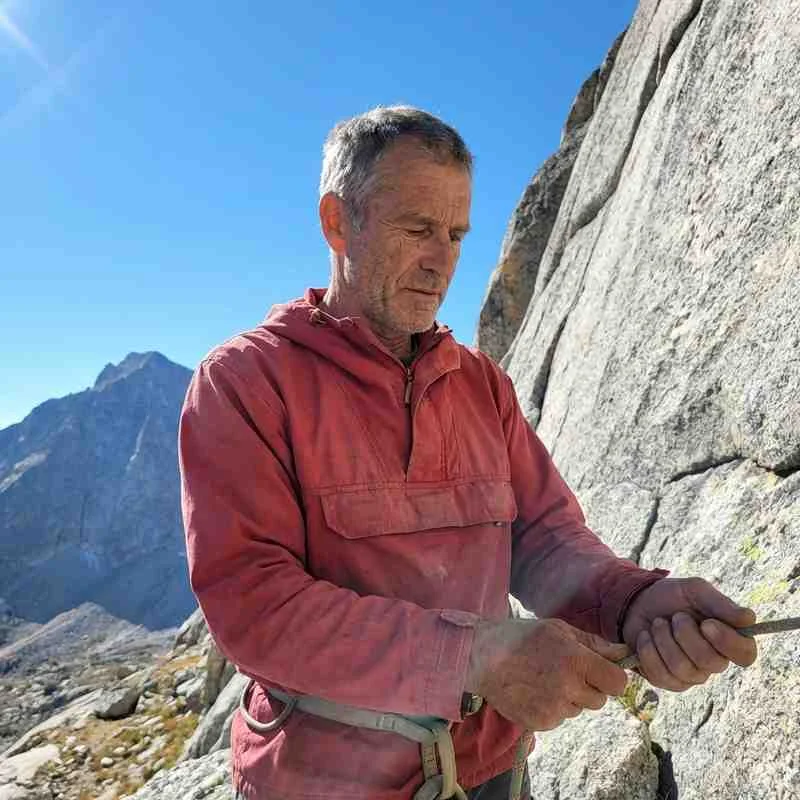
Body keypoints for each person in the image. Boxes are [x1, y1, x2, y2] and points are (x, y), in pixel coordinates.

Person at [178, 106, 758, 800]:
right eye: (417, 229)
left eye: (456, 234)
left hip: (489, 772)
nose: (442, 260)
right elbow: (257, 606)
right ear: (338, 222)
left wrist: (636, 605)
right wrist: (473, 657)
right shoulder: (245, 383)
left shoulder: (481, 385)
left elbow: (544, 541)